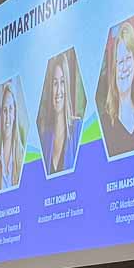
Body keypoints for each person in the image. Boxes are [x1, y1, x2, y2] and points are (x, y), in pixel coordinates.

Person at [99, 18, 134, 159]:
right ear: (114, 70)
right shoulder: (104, 124)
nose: (124, 68)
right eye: (120, 62)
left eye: (128, 59)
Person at [39, 48, 84, 179]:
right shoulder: (45, 138)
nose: (59, 90)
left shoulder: (78, 128)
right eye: (55, 83)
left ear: (67, 86)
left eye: (62, 82)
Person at [0, 78, 27, 191]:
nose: (7, 117)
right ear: (1, 114)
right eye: (4, 110)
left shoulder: (22, 155)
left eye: (10, 109)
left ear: (15, 113)